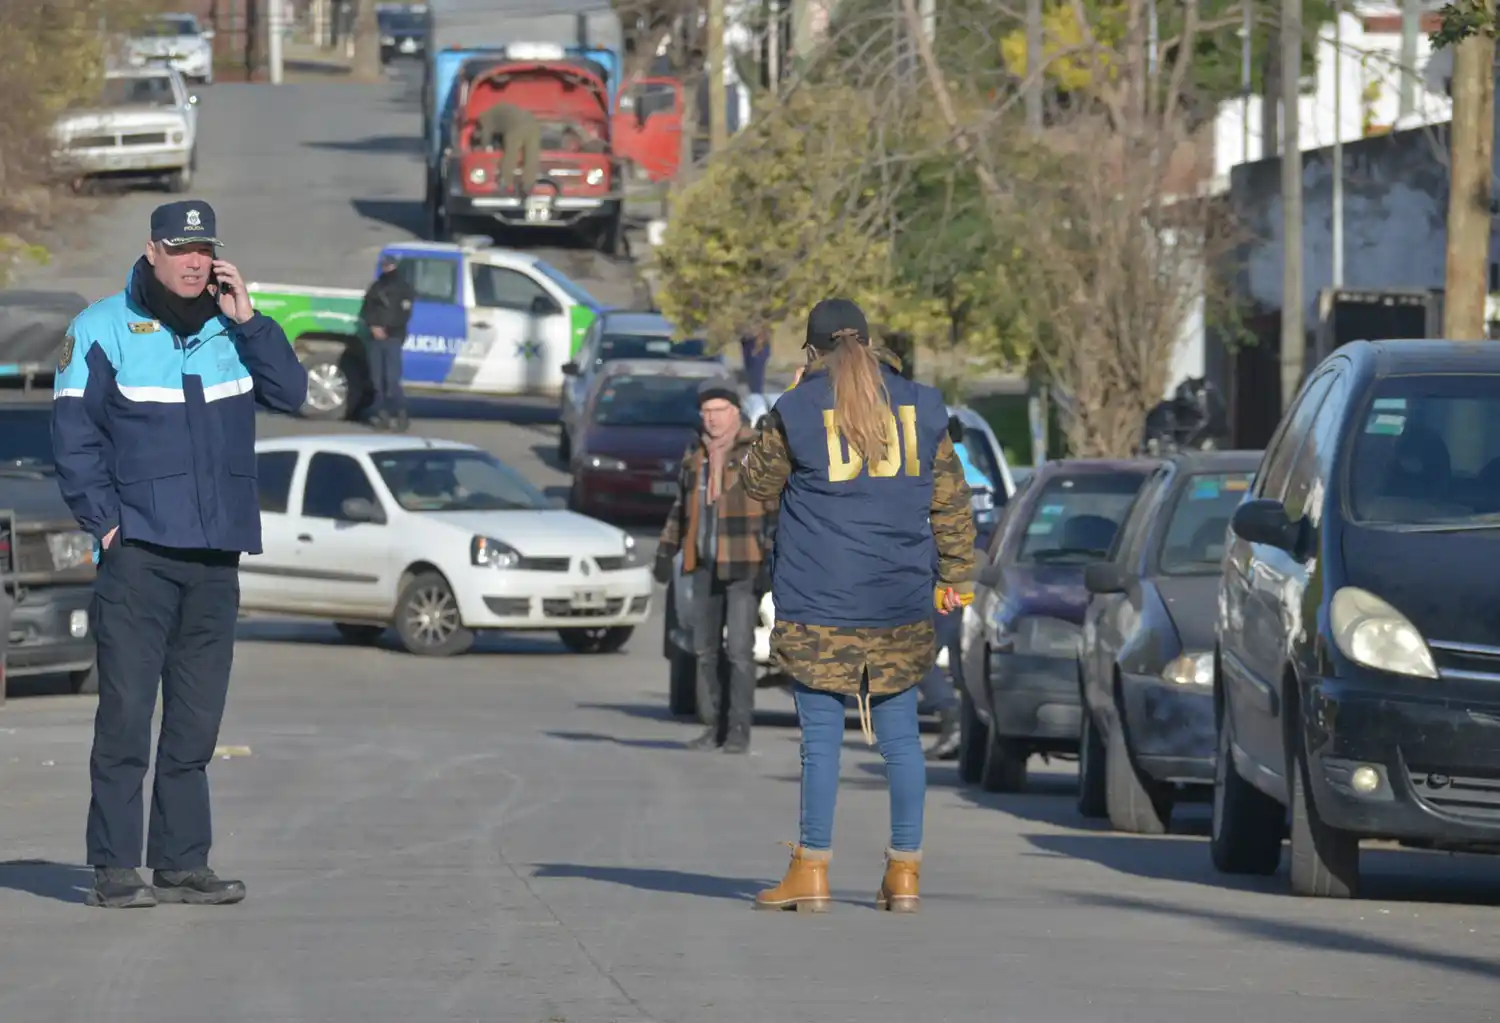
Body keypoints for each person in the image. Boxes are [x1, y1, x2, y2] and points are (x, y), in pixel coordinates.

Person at [52, 201, 309, 910]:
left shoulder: (236, 329)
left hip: (215, 557)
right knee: (128, 718)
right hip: (139, 556)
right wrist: (105, 527)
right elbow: (74, 440)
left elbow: (293, 391)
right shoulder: (103, 328)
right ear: (153, 251)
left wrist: (251, 318)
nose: (195, 261)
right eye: (181, 248)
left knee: (196, 722)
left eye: (205, 249)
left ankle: (182, 862)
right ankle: (113, 866)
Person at [737, 298, 977, 913]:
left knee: (821, 742)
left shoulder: (797, 408)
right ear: (872, 344)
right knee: (901, 741)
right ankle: (904, 874)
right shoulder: (922, 406)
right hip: (898, 597)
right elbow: (951, 502)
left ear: (811, 351)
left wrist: (780, 412)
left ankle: (811, 870)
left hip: (818, 597)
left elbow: (755, 487)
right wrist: (957, 575)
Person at [654, 378, 779, 754]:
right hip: (704, 563)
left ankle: (739, 729)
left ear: (735, 413)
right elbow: (681, 507)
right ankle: (713, 727)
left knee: (739, 651)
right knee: (704, 650)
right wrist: (665, 550)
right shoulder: (697, 455)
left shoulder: (757, 451)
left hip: (744, 563)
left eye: (718, 411)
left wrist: (770, 557)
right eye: (705, 412)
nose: (711, 419)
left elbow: (775, 509)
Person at [359, 254, 416, 432]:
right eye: (384, 265)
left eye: (389, 265)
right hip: (375, 338)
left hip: (393, 338)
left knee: (391, 380)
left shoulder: (404, 288)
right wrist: (373, 326)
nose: (386, 268)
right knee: (377, 381)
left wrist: (387, 330)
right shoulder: (376, 287)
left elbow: (404, 315)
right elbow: (365, 310)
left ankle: (402, 416)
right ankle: (382, 417)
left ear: (394, 266)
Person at [474, 103, 542, 196]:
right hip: (533, 124)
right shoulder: (498, 110)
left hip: (516, 127)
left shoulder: (485, 118)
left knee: (510, 154)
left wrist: (484, 146)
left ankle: (505, 182)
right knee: (531, 156)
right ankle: (528, 185)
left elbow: (486, 134)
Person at [739, 326, 770, 396]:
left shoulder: (764, 345)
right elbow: (743, 342)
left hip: (757, 367)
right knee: (752, 384)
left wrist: (756, 355)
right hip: (751, 366)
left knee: (756, 385)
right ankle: (755, 396)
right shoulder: (750, 342)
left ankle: (757, 397)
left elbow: (765, 356)